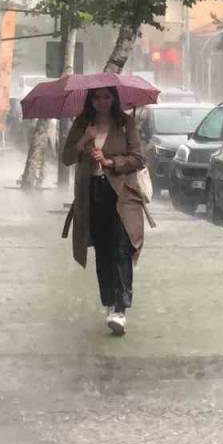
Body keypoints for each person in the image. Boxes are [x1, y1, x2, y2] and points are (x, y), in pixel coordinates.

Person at [60, 87, 146, 335]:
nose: (102, 102)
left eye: (107, 96)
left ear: (114, 98)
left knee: (121, 246)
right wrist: (84, 140)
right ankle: (110, 303)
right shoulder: (82, 123)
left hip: (121, 194)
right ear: (90, 100)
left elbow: (139, 158)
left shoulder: (125, 122)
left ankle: (120, 308)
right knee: (103, 250)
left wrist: (110, 162)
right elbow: (66, 157)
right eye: (97, 97)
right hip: (92, 193)